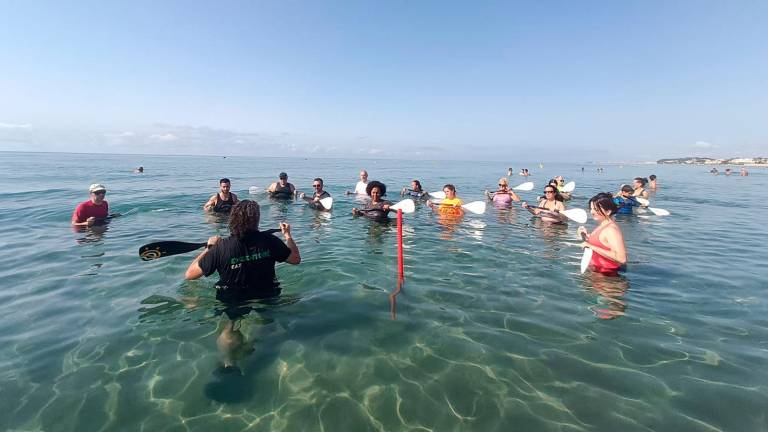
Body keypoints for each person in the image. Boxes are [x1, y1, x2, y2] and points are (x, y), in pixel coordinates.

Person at [185, 200, 300, 303]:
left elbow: (190, 274)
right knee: (267, 323)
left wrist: (208, 249)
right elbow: (295, 259)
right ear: (257, 219)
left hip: (232, 298)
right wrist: (288, 236)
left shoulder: (220, 248)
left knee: (229, 324)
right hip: (267, 294)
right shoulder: (270, 241)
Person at [578, 193, 627, 275]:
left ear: (608, 211)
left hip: (608, 278)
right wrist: (586, 236)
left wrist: (591, 246)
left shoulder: (611, 229)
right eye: (591, 208)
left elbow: (621, 258)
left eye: (596, 209)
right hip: (598, 273)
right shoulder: (603, 225)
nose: (592, 212)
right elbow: (602, 243)